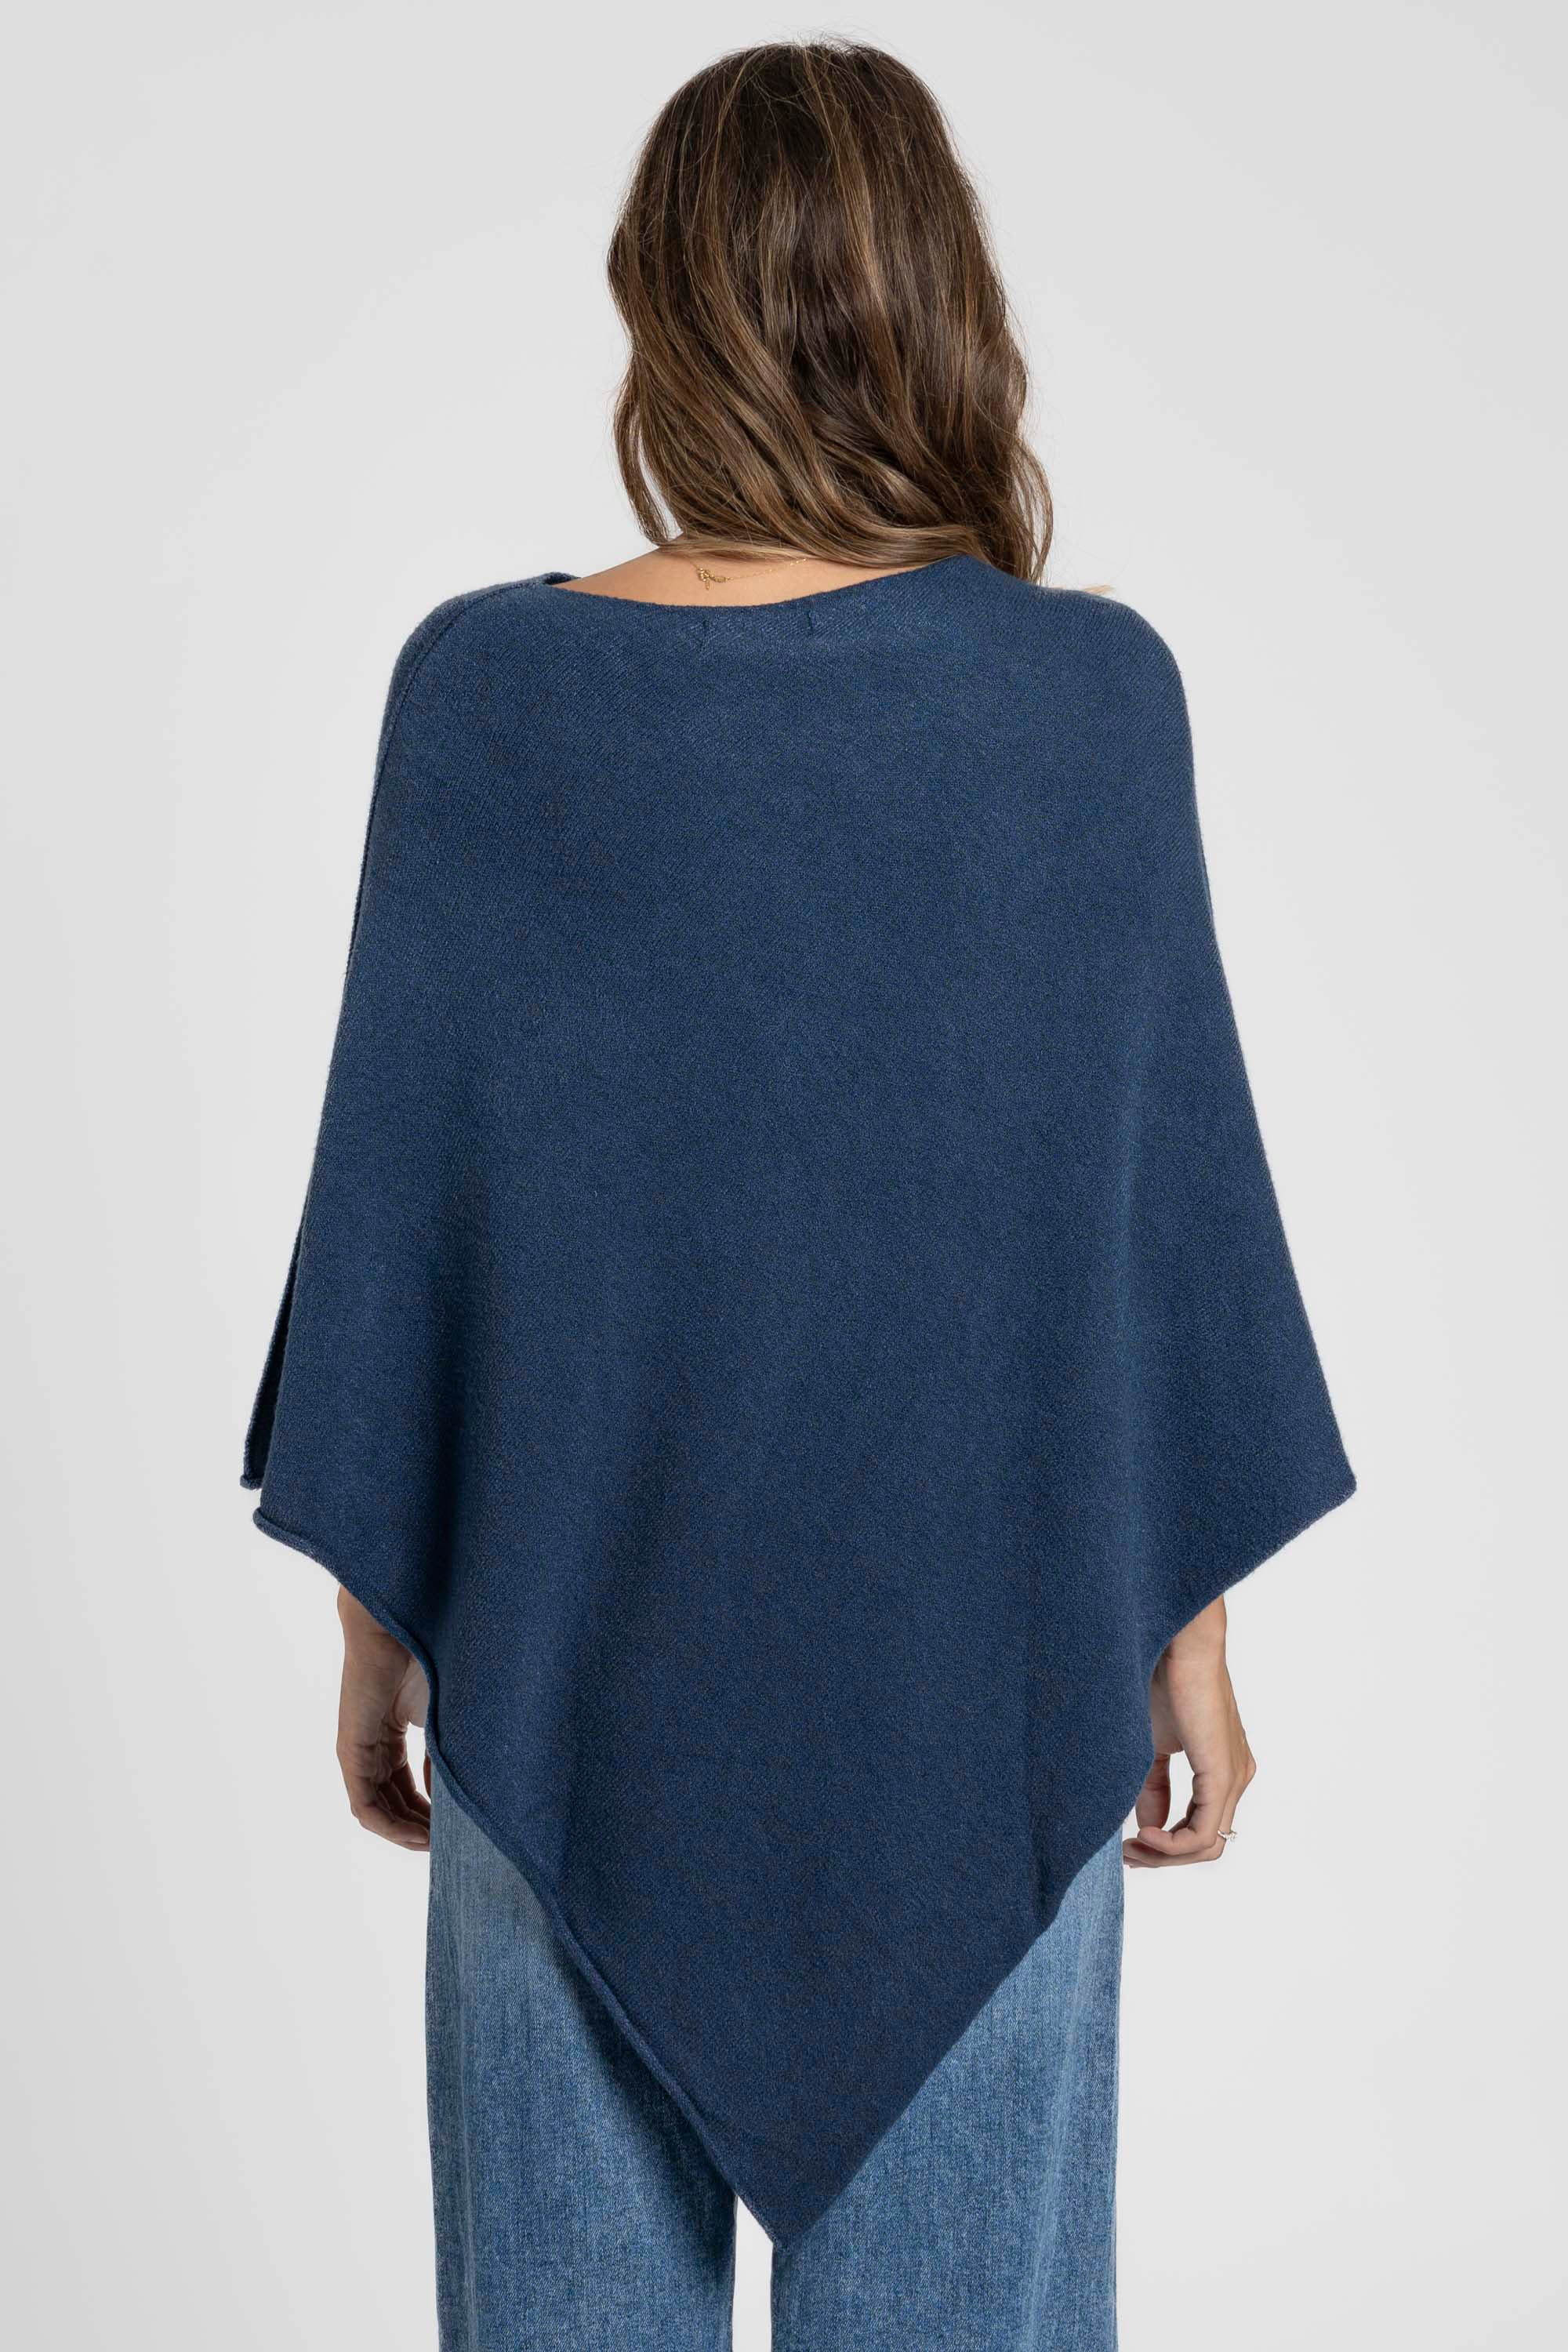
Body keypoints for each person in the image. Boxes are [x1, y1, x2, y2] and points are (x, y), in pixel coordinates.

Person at [242, 37, 1356, 2351]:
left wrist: (381, 1615)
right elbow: (1141, 1235)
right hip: (988, 1691)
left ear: (660, 305)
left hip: (558, 1682)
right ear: (944, 300)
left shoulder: (487, 693)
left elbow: (411, 1220)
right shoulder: (1087, 702)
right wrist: (1185, 1633)